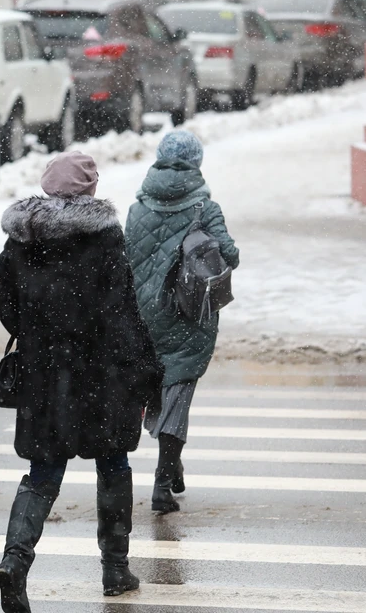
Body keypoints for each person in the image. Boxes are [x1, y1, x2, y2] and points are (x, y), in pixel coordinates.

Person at [0, 151, 163, 612]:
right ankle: (114, 568)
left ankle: (15, 563)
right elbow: (123, 312)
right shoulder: (105, 239)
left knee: (42, 474)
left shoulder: (21, 239)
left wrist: (38, 335)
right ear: (90, 189)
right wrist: (146, 373)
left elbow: (5, 305)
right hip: (101, 376)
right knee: (113, 466)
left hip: (43, 378)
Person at [124, 130, 240, 514]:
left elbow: (126, 259)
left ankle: (172, 468)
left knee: (156, 386)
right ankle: (162, 483)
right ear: (197, 164)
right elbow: (229, 255)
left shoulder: (137, 208)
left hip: (144, 312)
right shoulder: (205, 208)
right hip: (187, 312)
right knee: (178, 392)